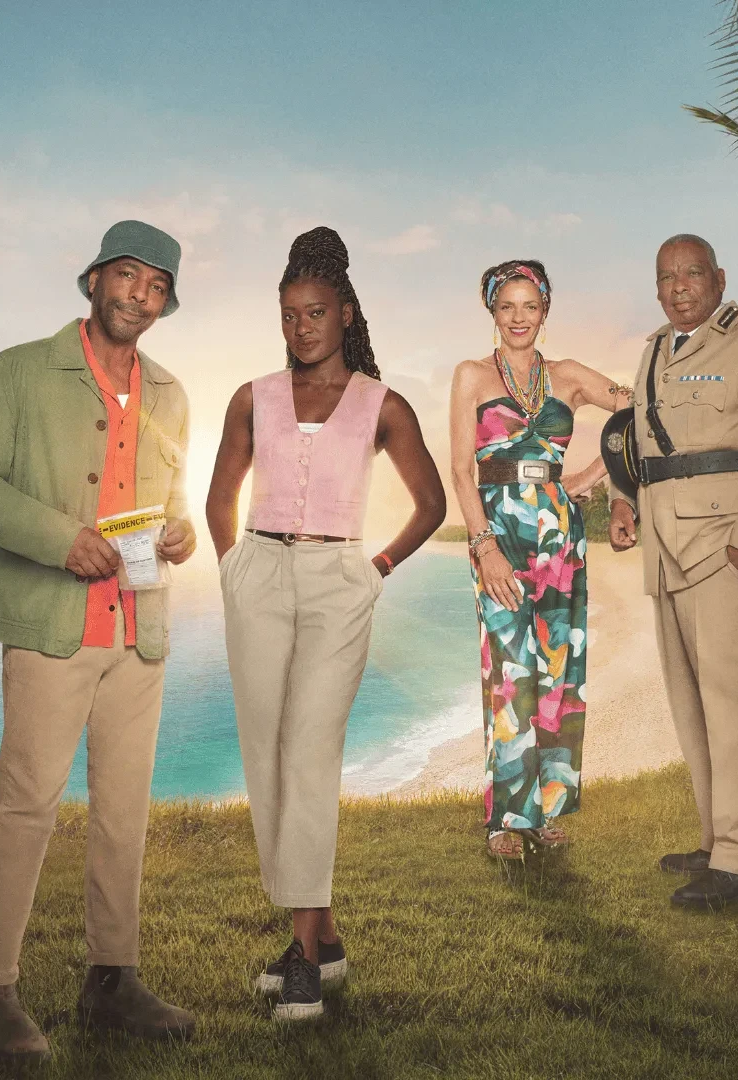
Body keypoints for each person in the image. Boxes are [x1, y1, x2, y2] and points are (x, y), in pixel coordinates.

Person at [0, 220, 199, 1064]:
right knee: (28, 807)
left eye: (157, 286)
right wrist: (61, 539)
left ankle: (112, 979)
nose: (140, 295)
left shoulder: (170, 392)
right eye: (127, 276)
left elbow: (171, 496)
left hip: (141, 628)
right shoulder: (18, 371)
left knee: (125, 815)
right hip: (54, 627)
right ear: (93, 280)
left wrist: (181, 530)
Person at [205, 227, 446, 1022]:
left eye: (314, 312)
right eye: (288, 314)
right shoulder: (253, 396)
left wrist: (371, 570)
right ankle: (324, 937)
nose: (301, 327)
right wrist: (234, 566)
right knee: (266, 754)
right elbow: (220, 494)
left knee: (309, 750)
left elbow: (431, 506)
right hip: (259, 576)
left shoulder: (384, 406)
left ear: (344, 312)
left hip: (340, 577)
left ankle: (306, 959)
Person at [607, 234, 738, 910]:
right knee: (691, 707)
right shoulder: (655, 352)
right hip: (667, 551)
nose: (679, 287)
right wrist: (622, 505)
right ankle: (717, 839)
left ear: (718, 278)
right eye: (666, 276)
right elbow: (641, 446)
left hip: (725, 550)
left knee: (734, 704)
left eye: (692, 273)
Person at [446, 260, 630, 860]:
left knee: (558, 670)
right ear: (493, 313)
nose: (519, 318)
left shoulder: (569, 375)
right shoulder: (471, 376)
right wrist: (483, 546)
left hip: (560, 538)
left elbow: (635, 414)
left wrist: (592, 476)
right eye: (508, 307)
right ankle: (505, 819)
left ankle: (547, 810)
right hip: (498, 533)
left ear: (545, 310)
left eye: (530, 306)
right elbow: (460, 469)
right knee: (509, 671)